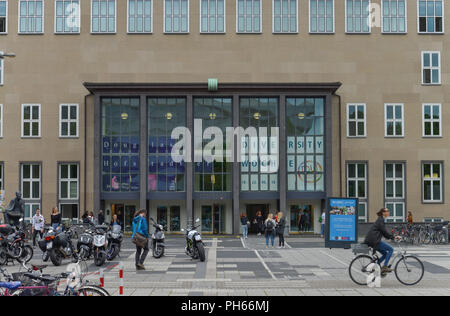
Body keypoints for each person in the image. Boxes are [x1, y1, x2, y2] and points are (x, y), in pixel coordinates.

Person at [364, 208, 401, 274]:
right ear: (383, 213)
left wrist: (392, 237)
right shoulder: (380, 220)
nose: (388, 212)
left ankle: (376, 266)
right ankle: (385, 267)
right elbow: (384, 232)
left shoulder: (380, 220)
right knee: (391, 249)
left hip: (373, 240)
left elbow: (384, 232)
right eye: (387, 211)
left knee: (385, 254)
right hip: (374, 241)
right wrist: (393, 237)